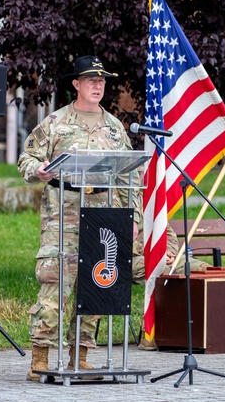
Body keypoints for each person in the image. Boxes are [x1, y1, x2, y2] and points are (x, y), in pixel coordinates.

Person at [17, 55, 142, 381]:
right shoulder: (56, 123)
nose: (98, 86)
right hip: (65, 216)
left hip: (104, 217)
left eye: (101, 82)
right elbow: (27, 157)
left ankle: (80, 355)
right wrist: (38, 170)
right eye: (91, 81)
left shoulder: (115, 128)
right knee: (56, 283)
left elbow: (129, 175)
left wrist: (134, 217)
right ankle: (41, 357)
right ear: (76, 84)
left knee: (97, 285)